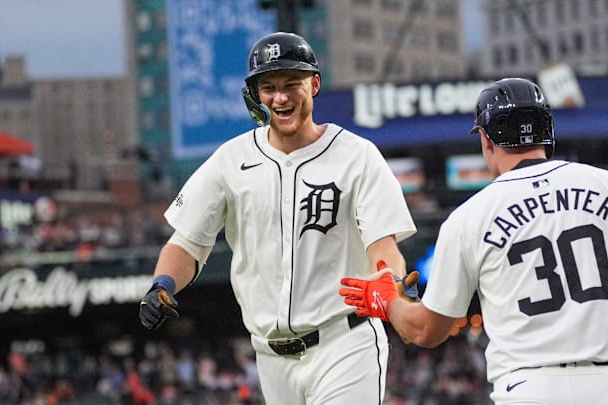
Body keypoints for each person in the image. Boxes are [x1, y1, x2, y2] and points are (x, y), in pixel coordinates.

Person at [339, 77, 608, 404]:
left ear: (486, 139)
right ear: (549, 133)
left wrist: (389, 301)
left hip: (528, 391)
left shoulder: (469, 217)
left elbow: (425, 330)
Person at [138, 32, 417, 405]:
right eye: (268, 87)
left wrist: (390, 280)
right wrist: (162, 283)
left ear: (314, 84)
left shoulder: (357, 156)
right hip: (271, 358)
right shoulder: (230, 159)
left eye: (291, 84)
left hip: (344, 344)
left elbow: (383, 244)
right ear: (255, 95)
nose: (280, 97)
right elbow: (188, 242)